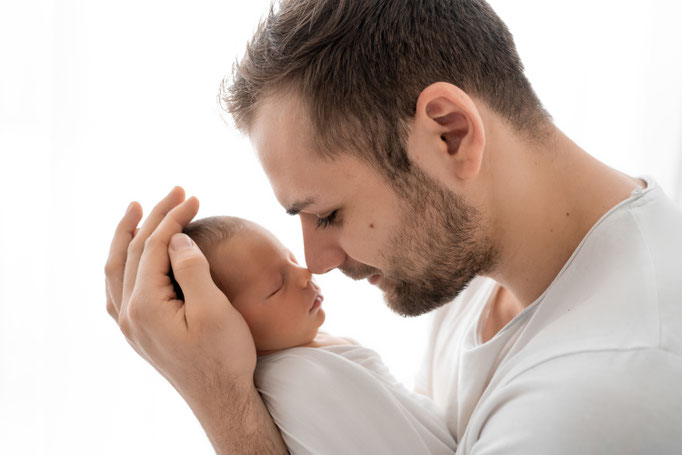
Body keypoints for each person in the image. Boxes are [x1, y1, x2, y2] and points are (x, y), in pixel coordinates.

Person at [104, 0, 682, 453]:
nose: (317, 260)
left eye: (328, 214)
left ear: (449, 134)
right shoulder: (480, 273)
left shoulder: (600, 400)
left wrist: (220, 398)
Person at [175, 215, 457, 453]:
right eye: (276, 286)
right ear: (228, 326)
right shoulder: (295, 382)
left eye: (291, 259)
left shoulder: (308, 348)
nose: (305, 274)